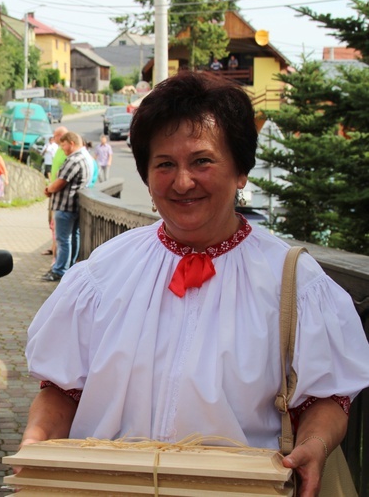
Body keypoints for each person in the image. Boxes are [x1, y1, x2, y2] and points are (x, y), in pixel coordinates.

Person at [22, 71, 369, 495]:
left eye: (202, 161)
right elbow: (62, 390)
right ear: (148, 177)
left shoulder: (293, 281)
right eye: (164, 164)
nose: (182, 181)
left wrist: (314, 444)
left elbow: (327, 397)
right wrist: (34, 448)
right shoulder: (103, 272)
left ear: (241, 171)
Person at [42, 132, 91, 282]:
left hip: (65, 206)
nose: (62, 148)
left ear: (71, 143)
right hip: (74, 206)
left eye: (63, 145)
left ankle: (60, 270)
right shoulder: (84, 158)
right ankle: (69, 268)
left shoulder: (74, 160)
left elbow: (60, 182)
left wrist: (48, 189)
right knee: (72, 238)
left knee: (63, 240)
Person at [42, 126, 69, 259]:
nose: (54, 137)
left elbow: (63, 177)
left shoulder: (65, 152)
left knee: (58, 229)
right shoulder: (59, 149)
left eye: (56, 135)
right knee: (52, 224)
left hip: (61, 197)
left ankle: (57, 259)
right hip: (54, 193)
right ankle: (54, 250)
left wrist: (51, 188)